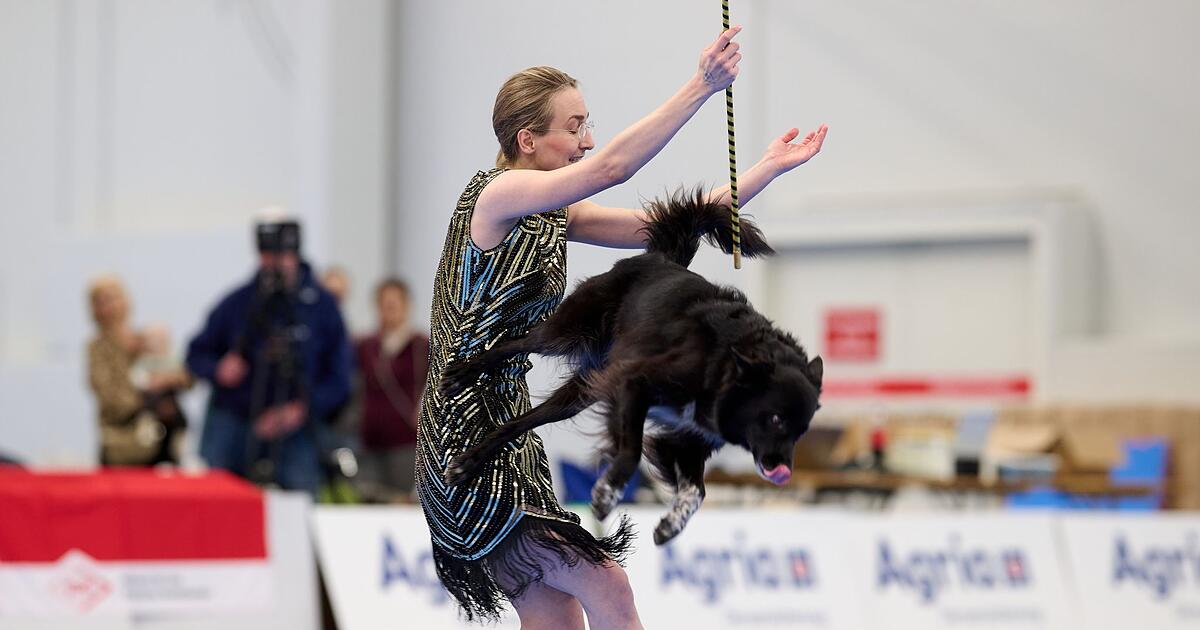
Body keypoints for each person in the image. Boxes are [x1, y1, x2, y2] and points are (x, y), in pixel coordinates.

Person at [415, 25, 828, 629]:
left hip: (507, 425)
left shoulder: (555, 212)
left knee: (554, 615)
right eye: (574, 126)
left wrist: (764, 170)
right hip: (463, 430)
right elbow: (613, 167)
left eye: (589, 123)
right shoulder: (498, 197)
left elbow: (667, 228)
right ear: (527, 140)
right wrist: (701, 86)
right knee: (605, 584)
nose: (587, 141)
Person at [186, 212, 352, 496]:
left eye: (281, 254)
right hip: (236, 419)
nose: (274, 263)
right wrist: (219, 369)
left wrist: (300, 410)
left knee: (299, 495)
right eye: (267, 254)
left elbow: (341, 379)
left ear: (295, 254)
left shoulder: (322, 306)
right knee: (219, 495)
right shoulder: (238, 302)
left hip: (295, 426)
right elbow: (195, 354)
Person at [86, 275, 190, 466]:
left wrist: (165, 381)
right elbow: (110, 397)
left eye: (114, 298)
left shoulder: (146, 339)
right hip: (122, 443)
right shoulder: (97, 349)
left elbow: (185, 376)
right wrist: (148, 399)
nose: (110, 307)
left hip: (162, 439)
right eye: (102, 301)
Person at [355, 277, 429, 501]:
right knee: (370, 499)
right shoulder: (366, 345)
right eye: (384, 305)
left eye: (393, 305)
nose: (388, 311)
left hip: (405, 439)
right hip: (370, 439)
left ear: (406, 306)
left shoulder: (421, 345)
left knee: (401, 500)